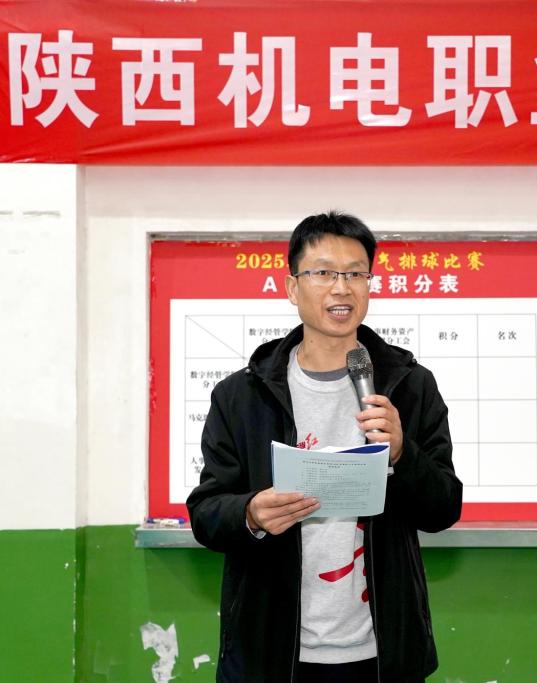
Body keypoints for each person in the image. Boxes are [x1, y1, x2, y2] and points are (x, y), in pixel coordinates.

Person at [187, 211, 463, 683]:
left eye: (356, 274)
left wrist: (403, 454)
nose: (341, 288)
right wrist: (250, 514)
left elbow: (443, 509)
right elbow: (206, 513)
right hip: (272, 654)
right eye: (323, 273)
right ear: (292, 288)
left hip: (382, 652)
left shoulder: (410, 386)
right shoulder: (242, 395)